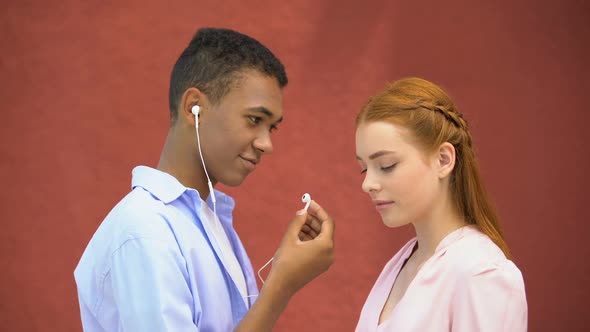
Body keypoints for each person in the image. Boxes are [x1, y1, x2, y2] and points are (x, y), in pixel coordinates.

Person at [74, 27, 335, 331]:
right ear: (192, 107)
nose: (267, 143)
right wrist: (280, 286)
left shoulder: (207, 220)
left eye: (272, 127)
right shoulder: (145, 231)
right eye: (254, 119)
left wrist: (282, 270)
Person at [354, 77, 527, 331]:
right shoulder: (400, 263)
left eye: (386, 165)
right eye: (363, 169)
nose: (368, 183)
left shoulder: (481, 273)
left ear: (444, 160)